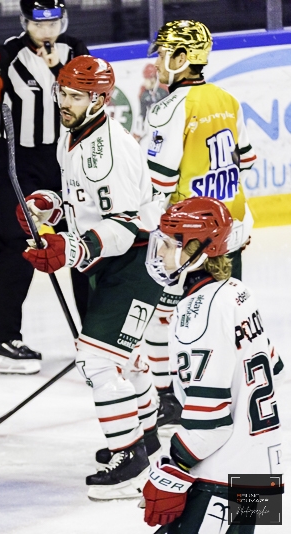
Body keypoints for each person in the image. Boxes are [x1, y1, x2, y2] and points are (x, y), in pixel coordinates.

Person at [17, 56, 164, 500]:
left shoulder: (111, 151)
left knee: (97, 360)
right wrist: (52, 208)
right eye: (62, 92)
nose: (64, 102)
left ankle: (130, 459)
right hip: (115, 266)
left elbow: (125, 223)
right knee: (123, 355)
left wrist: (72, 248)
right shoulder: (76, 137)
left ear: (99, 99)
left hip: (134, 265)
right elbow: (86, 203)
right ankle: (148, 435)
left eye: (75, 96)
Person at [142, 196, 283, 533]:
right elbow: (275, 370)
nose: (159, 252)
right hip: (260, 469)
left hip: (219, 475)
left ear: (196, 249)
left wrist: (172, 465)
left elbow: (211, 420)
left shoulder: (197, 312)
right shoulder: (237, 291)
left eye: (169, 243)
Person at [142, 20, 257, 430]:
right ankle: (237, 396)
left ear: (182, 58)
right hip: (230, 228)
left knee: (162, 317)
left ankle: (169, 398)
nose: (157, 61)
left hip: (187, 239)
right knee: (226, 316)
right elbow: (245, 161)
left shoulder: (169, 109)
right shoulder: (226, 98)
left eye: (163, 53)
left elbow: (157, 183)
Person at [0, 0, 90, 375]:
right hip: (19, 162)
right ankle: (1, 340)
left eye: (53, 23)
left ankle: (96, 340)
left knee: (83, 244)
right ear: (24, 22)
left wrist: (58, 69)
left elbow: (86, 96)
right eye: (38, 24)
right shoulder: (8, 54)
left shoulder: (75, 50)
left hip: (66, 160)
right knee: (17, 244)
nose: (47, 32)